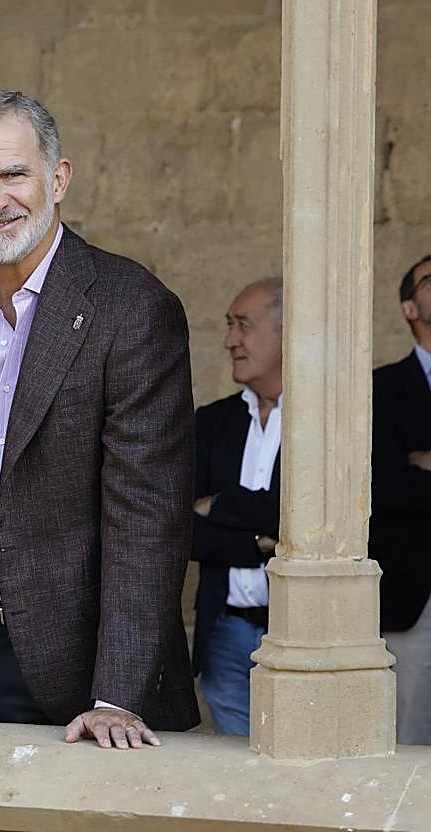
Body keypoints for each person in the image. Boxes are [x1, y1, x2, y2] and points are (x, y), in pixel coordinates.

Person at [0, 89, 199, 749]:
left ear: (58, 179)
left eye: (12, 174)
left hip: (87, 676)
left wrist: (117, 698)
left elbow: (147, 516)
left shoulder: (132, 308)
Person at [190, 279, 283, 736]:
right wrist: (260, 544)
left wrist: (221, 504)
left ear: (290, 331)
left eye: (243, 325)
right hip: (225, 636)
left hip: (304, 638)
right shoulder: (213, 421)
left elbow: (314, 518)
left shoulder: (330, 421)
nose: (230, 340)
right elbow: (180, 527)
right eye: (229, 325)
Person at [371, 254, 431, 745]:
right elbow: (387, 487)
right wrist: (410, 470)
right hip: (416, 589)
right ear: (409, 308)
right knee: (409, 724)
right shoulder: (383, 388)